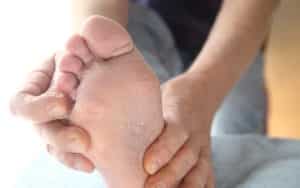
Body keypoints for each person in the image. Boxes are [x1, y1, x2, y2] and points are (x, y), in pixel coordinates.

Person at [12, 1, 300, 188]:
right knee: (228, 131)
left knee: (212, 129)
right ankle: (153, 151)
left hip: (235, 20)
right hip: (139, 14)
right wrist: (82, 54)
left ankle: (146, 163)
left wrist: (206, 86)